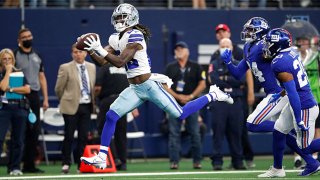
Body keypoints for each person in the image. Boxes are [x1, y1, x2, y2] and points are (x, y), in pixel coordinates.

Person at [79, 3, 233, 169]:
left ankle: (213, 94)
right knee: (111, 116)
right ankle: (102, 157)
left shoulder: (136, 35)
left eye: (122, 17)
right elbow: (102, 62)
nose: (119, 20)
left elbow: (120, 61)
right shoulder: (114, 38)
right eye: (117, 18)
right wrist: (91, 50)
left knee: (180, 114)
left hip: (149, 85)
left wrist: (99, 50)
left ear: (131, 18)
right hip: (135, 89)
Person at [221, 17, 320, 177]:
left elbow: (281, 53)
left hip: (278, 93)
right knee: (280, 132)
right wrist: (229, 62)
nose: (247, 33)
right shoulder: (248, 46)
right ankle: (306, 163)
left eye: (251, 30)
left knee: (252, 124)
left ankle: (293, 143)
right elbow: (239, 73)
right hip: (274, 94)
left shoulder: (265, 46)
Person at [258, 28, 320, 177]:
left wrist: (298, 119)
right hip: (299, 100)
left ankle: (312, 165)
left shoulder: (279, 63)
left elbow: (293, 93)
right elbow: (293, 84)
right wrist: (280, 94)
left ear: (278, 44)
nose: (266, 47)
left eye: (269, 43)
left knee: (304, 148)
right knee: (279, 130)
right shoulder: (291, 52)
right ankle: (277, 169)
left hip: (303, 106)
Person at [214, 23, 256, 168]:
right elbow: (212, 77)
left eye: (223, 32)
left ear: (229, 33)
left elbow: (246, 73)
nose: (221, 35)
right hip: (221, 98)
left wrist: (250, 91)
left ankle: (246, 157)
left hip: (239, 96)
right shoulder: (216, 54)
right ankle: (233, 160)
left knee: (240, 130)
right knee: (223, 129)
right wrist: (226, 80)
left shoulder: (238, 51)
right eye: (218, 33)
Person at [55, 43, 96, 173]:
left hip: (86, 105)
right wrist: (65, 99)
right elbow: (58, 88)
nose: (78, 54)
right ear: (72, 53)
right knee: (69, 135)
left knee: (83, 136)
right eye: (75, 52)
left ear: (86, 53)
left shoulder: (92, 67)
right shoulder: (65, 67)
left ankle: (81, 164)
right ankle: (66, 163)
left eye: (80, 51)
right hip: (70, 106)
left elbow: (92, 86)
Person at [164, 41, 206, 170]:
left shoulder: (196, 66)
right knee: (174, 133)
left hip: (192, 103)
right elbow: (164, 85)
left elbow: (203, 84)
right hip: (174, 103)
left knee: (195, 132)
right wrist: (178, 96)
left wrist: (191, 96)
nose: (178, 51)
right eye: (176, 49)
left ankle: (197, 161)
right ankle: (174, 161)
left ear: (187, 51)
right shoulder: (170, 67)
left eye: (181, 49)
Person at [14, 28, 49, 173]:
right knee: (18, 131)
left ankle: (29, 165)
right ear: (19, 40)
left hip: (34, 96)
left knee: (34, 131)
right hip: (18, 95)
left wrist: (45, 98)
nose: (28, 38)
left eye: (29, 36)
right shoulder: (14, 55)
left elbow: (42, 77)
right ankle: (15, 164)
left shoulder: (37, 55)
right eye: (24, 37)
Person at [94, 59, 139, 171]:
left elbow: (97, 88)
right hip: (123, 101)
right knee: (121, 132)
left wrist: (95, 101)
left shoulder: (104, 67)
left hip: (108, 101)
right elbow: (134, 87)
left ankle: (114, 158)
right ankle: (123, 162)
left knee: (103, 130)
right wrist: (134, 105)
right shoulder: (126, 67)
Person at [209, 38, 246, 170]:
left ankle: (238, 161)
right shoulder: (214, 63)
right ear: (219, 49)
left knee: (236, 132)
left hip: (235, 102)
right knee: (218, 132)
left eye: (227, 46)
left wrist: (224, 78)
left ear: (232, 48)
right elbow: (214, 81)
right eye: (222, 46)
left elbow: (241, 81)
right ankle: (217, 162)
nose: (225, 48)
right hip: (219, 102)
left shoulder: (238, 63)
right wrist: (231, 80)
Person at [0, 48, 30, 176]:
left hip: (19, 108)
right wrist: (7, 72)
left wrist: (11, 89)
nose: (7, 61)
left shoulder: (20, 73)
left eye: (9, 59)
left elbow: (27, 89)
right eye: (4, 59)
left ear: (13, 60)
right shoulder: (2, 73)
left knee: (18, 139)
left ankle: (15, 167)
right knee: (0, 138)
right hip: (3, 109)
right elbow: (2, 87)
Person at [293, 35, 320, 168]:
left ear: (309, 44)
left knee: (316, 127)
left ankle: (314, 156)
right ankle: (297, 157)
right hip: (299, 96)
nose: (302, 44)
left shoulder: (316, 57)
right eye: (300, 42)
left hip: (316, 94)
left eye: (305, 42)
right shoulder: (293, 58)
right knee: (298, 127)